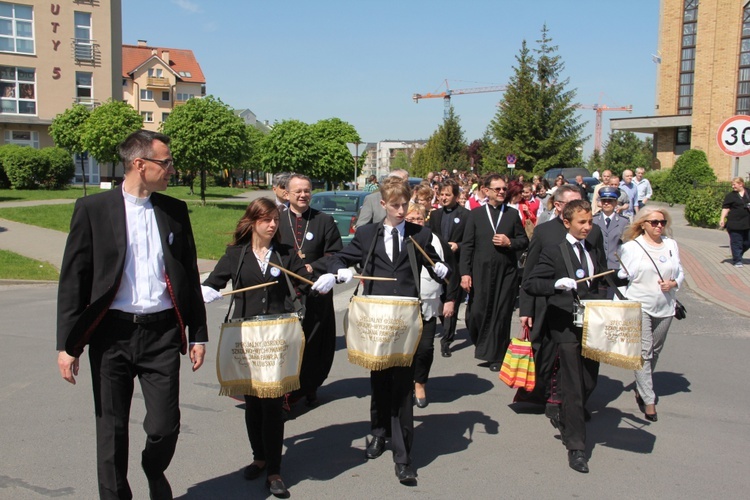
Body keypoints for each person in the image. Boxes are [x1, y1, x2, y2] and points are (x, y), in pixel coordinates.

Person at [56, 130, 207, 499]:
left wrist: (198, 332)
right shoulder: (93, 210)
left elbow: (187, 274)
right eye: (166, 162)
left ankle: (153, 467)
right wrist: (67, 345)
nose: (172, 168)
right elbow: (74, 280)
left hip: (161, 335)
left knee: (165, 426)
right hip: (112, 336)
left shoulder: (174, 211)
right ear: (140, 164)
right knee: (111, 430)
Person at [314, 179, 448, 485]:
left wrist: (443, 270)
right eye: (396, 206)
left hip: (405, 321)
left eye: (405, 205)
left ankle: (403, 457)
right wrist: (341, 270)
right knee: (379, 381)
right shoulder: (367, 233)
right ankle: (378, 434)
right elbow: (339, 257)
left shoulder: (420, 234)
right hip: (376, 320)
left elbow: (439, 266)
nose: (402, 211)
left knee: (402, 388)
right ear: (384, 205)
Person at [201, 198, 313, 498]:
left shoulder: (286, 253)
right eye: (266, 219)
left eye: (275, 219)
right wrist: (206, 292)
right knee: (252, 403)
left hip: (278, 336)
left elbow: (306, 281)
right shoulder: (236, 254)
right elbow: (214, 282)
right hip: (246, 336)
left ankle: (275, 469)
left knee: (273, 404)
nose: (273, 224)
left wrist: (325, 277)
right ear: (252, 221)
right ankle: (259, 457)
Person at [523, 199, 607, 474]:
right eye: (582, 222)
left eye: (590, 221)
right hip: (565, 326)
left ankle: (564, 413)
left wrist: (618, 282)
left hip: (592, 323)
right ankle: (576, 447)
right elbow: (532, 283)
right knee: (572, 384)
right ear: (567, 222)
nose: (588, 227)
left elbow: (601, 280)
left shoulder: (592, 246)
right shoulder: (554, 252)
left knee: (587, 378)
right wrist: (555, 285)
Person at [277, 174, 343, 407]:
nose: (303, 195)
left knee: (313, 344)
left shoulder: (324, 220)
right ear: (287, 194)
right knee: (287, 344)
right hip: (284, 292)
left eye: (307, 190)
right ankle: (286, 392)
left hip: (316, 291)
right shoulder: (276, 219)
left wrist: (313, 267)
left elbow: (335, 254)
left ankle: (310, 386)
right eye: (298, 191)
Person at [618, 206, 684, 422]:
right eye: (654, 222)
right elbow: (622, 274)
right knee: (644, 352)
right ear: (643, 224)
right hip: (641, 305)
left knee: (655, 349)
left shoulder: (671, 245)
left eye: (662, 222)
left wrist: (673, 282)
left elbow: (680, 272)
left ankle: (641, 384)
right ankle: (648, 399)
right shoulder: (632, 247)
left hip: (666, 305)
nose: (659, 226)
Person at [460, 174, 529, 371]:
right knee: (476, 313)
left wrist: (510, 243)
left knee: (501, 313)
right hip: (480, 271)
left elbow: (524, 241)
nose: (501, 192)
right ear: (486, 190)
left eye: (503, 189)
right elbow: (468, 246)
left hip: (505, 271)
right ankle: (483, 344)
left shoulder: (512, 214)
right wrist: (465, 273)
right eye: (497, 189)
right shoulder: (476, 214)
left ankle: (497, 355)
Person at [406, 204, 458, 407]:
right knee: (404, 348)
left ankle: (420, 382)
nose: (416, 222)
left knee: (425, 348)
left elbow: (451, 270)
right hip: (402, 303)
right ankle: (404, 384)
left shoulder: (435, 240)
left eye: (419, 219)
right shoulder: (398, 238)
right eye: (412, 219)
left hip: (429, 301)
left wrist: (450, 299)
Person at [428, 179, 470, 357]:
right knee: (440, 300)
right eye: (441, 194)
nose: (443, 198)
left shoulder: (466, 215)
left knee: (452, 301)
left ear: (456, 196)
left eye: (447, 195)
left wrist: (458, 245)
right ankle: (445, 327)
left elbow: (469, 241)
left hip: (457, 264)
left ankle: (447, 339)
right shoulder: (436, 215)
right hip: (438, 265)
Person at [593, 187, 629, 298]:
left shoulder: (624, 221)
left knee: (614, 300)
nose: (606, 203)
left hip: (616, 266)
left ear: (616, 202)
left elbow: (627, 245)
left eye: (610, 201)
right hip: (597, 267)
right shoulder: (593, 220)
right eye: (604, 201)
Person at [720, 177, 750, 267]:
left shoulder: (748, 192)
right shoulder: (730, 196)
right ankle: (737, 260)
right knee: (736, 241)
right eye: (732, 185)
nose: (733, 186)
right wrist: (722, 219)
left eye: (734, 184)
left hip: (747, 223)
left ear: (741, 184)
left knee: (747, 242)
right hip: (734, 223)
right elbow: (725, 208)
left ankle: (738, 253)